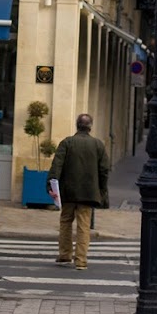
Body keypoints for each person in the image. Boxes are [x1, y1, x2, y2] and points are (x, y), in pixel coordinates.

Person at [46, 114, 110, 271]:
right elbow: (104, 170)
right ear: (90, 126)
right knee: (84, 225)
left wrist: (51, 186)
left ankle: (65, 254)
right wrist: (101, 190)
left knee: (66, 221)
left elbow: (56, 167)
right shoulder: (98, 145)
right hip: (88, 192)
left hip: (68, 191)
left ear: (77, 125)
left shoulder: (67, 142)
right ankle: (81, 260)